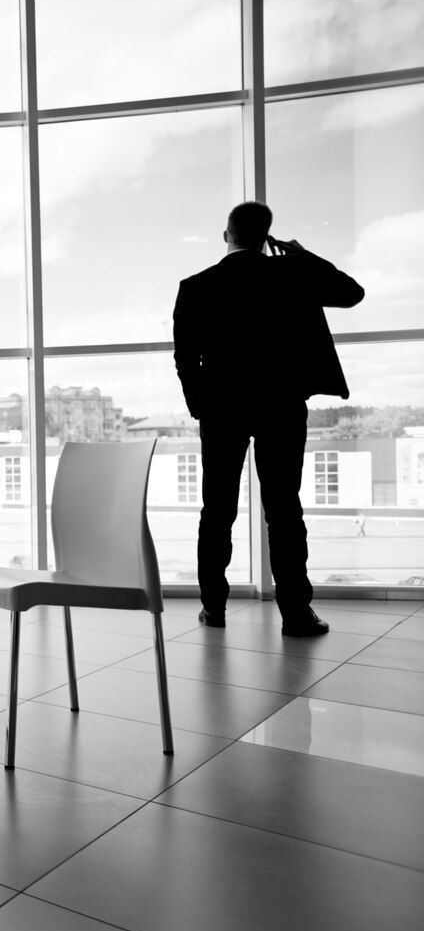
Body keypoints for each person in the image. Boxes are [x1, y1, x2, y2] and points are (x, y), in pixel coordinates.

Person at [173, 201, 365, 637]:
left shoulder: (196, 285)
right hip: (281, 403)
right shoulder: (292, 272)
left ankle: (214, 608)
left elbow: (185, 358)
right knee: (283, 509)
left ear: (227, 235)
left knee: (217, 509)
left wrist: (200, 405)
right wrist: (303, 256)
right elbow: (352, 293)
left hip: (221, 406)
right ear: (267, 236)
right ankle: (296, 614)